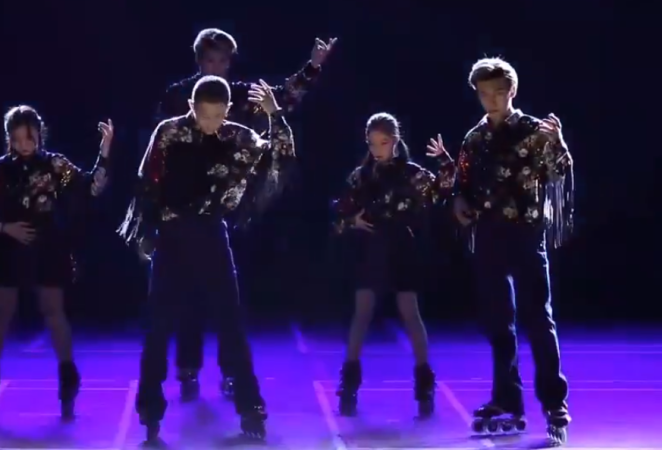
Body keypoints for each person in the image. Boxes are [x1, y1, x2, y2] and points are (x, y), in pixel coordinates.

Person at [156, 27, 335, 402]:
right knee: (188, 291)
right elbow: (161, 152)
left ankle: (231, 371)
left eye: (223, 61)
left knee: (228, 298)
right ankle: (188, 368)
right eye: (210, 60)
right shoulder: (177, 96)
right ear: (199, 61)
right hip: (185, 208)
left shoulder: (239, 94)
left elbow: (282, 97)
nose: (216, 67)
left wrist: (313, 67)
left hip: (228, 208)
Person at [118, 75, 294, 443]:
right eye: (204, 114)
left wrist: (274, 115)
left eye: (218, 115)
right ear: (191, 107)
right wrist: (147, 233)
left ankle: (250, 408)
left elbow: (280, 156)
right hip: (171, 237)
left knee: (230, 321)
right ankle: (150, 408)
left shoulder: (238, 137)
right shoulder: (168, 132)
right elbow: (147, 182)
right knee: (159, 326)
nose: (211, 122)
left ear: (227, 110)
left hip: (211, 234)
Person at [430, 57, 574, 447]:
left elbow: (559, 173)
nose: (490, 99)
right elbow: (463, 182)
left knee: (538, 318)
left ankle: (553, 402)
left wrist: (558, 143)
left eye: (498, 92)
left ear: (512, 91)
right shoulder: (474, 138)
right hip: (489, 233)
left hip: (526, 232)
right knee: (498, 322)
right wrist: (459, 201)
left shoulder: (533, 131)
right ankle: (507, 398)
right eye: (483, 93)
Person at [0, 105, 112, 421]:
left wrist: (105, 150)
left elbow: (91, 187)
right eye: (17, 139)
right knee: (2, 313)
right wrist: (6, 227)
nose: (24, 145)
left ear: (39, 135)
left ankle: (68, 386)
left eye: (29, 138)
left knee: (53, 311)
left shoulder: (54, 164)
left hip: (47, 246)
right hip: (9, 247)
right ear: (9, 138)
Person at [331, 113, 455, 419]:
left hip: (402, 248)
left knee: (410, 313)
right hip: (371, 249)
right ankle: (349, 385)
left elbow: (442, 190)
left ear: (395, 141)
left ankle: (425, 385)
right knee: (362, 313)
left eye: (383, 142)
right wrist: (352, 220)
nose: (377, 149)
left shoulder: (411, 174)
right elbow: (339, 213)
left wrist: (444, 159)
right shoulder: (361, 176)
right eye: (372, 143)